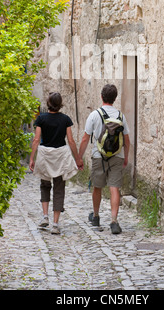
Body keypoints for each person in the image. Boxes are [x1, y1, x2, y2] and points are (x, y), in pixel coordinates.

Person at [78, 84, 130, 234]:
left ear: (101, 97)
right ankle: (114, 221)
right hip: (117, 156)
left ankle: (95, 216)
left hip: (98, 156)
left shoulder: (94, 115)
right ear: (115, 98)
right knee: (114, 188)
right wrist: (125, 157)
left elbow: (85, 138)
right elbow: (127, 140)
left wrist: (79, 158)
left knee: (97, 187)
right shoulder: (121, 116)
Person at [29, 92, 83, 234]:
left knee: (45, 185)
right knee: (59, 188)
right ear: (60, 104)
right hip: (60, 156)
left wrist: (32, 158)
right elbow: (71, 140)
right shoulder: (65, 119)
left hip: (45, 155)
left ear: (48, 103)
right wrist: (77, 158)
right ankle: (55, 224)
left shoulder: (41, 119)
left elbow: (36, 139)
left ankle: (45, 216)